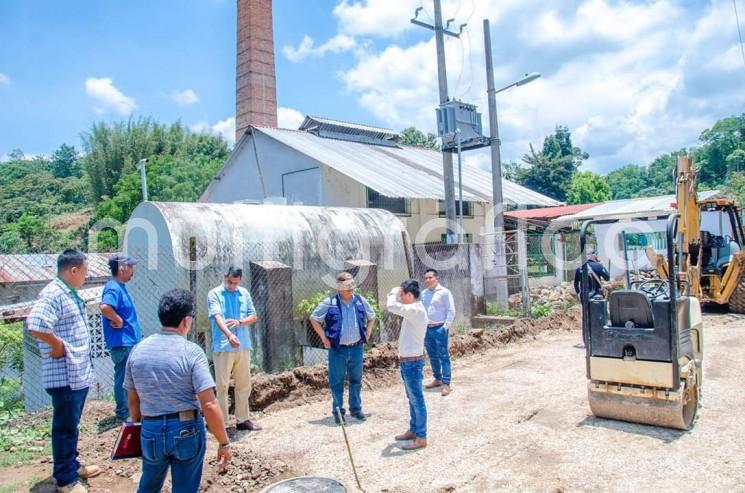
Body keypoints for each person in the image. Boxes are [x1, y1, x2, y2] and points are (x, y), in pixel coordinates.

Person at [124, 289, 232, 493]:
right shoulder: (191, 352)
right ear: (186, 320)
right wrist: (224, 442)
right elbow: (209, 404)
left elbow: (133, 401)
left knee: (147, 487)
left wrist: (139, 428)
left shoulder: (137, 351)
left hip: (150, 429)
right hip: (186, 429)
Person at [26, 249, 101, 493]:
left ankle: (72, 464)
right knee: (65, 427)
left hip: (75, 373)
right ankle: (65, 479)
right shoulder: (53, 293)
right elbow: (35, 324)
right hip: (64, 374)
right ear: (73, 270)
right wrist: (58, 345)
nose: (86, 277)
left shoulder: (68, 292)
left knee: (72, 424)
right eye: (85, 272)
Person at [309, 272, 376, 424]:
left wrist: (368, 331)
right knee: (336, 381)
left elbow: (371, 317)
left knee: (356, 380)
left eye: (352, 284)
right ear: (339, 287)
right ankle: (338, 412)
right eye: (347, 286)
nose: (351, 288)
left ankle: (356, 409)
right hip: (337, 349)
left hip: (357, 348)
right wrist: (323, 337)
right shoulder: (330, 302)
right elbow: (314, 318)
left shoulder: (359, 300)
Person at [207, 267, 261, 431]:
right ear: (225, 276)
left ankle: (242, 420)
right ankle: (221, 422)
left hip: (243, 344)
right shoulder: (214, 294)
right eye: (230, 281)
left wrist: (241, 322)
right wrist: (229, 335)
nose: (232, 285)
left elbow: (254, 316)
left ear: (240, 281)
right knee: (222, 385)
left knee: (244, 383)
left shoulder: (244, 293)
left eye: (235, 283)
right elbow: (217, 317)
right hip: (224, 346)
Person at [386, 280, 429, 451]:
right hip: (408, 361)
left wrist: (393, 291)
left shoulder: (415, 309)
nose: (401, 298)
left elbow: (391, 306)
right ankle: (414, 430)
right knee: (412, 399)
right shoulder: (413, 311)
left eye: (403, 295)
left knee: (416, 399)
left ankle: (421, 437)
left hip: (412, 362)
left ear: (410, 295)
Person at [99, 253, 142, 422]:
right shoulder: (113, 287)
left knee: (127, 377)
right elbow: (105, 307)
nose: (133, 270)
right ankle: (123, 412)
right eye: (131, 266)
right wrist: (117, 319)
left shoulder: (120, 287)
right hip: (122, 342)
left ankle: (128, 410)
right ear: (122, 268)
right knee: (123, 377)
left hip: (128, 341)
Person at [421, 269, 456, 396]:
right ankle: (437, 378)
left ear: (437, 278)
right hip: (427, 329)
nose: (427, 280)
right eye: (426, 278)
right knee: (432, 355)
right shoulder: (424, 294)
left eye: (430, 277)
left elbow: (451, 311)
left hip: (439, 328)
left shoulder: (444, 292)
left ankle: (446, 383)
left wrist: (445, 327)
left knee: (443, 356)